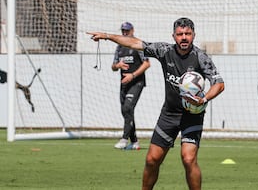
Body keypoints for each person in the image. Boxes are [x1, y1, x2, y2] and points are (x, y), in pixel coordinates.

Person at [88, 17, 225, 190]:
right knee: (152, 160)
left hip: (192, 115)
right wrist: (107, 36)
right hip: (169, 114)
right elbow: (135, 43)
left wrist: (203, 99)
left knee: (188, 159)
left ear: (193, 35)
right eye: (180, 34)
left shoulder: (201, 57)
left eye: (188, 34)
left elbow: (219, 84)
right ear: (173, 36)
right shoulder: (164, 50)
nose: (184, 37)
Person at [112, 22, 150, 150]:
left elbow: (146, 64)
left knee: (128, 107)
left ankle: (124, 138)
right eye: (123, 30)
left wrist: (132, 75)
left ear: (132, 30)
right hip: (124, 84)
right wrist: (117, 66)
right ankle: (134, 142)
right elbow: (113, 66)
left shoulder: (137, 44)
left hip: (136, 82)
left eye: (127, 31)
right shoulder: (119, 47)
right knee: (125, 111)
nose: (124, 33)